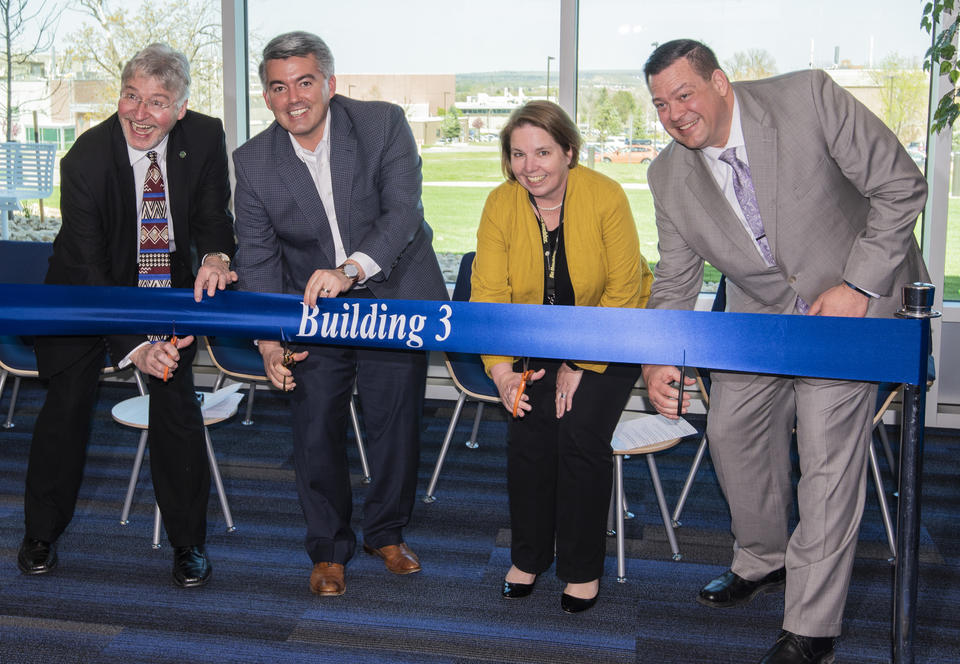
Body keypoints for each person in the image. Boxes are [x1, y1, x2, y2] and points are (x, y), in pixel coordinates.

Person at [642, 39, 929, 663]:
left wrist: (857, 286)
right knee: (730, 428)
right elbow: (675, 277)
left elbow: (902, 186)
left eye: (684, 94)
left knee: (824, 447)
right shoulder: (667, 174)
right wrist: (659, 355)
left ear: (720, 83)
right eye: (661, 104)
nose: (674, 114)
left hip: (854, 295)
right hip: (761, 311)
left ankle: (812, 626)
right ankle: (762, 559)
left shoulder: (806, 98)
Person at [232, 31, 448, 597]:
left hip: (391, 289)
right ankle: (329, 547)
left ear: (329, 83)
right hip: (313, 310)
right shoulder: (254, 162)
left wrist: (350, 269)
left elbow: (403, 214)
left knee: (394, 420)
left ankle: (386, 532)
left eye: (305, 82)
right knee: (314, 425)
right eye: (278, 87)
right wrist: (268, 341)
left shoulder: (380, 124)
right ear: (267, 95)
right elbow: (256, 257)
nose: (293, 98)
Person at [18, 43, 237, 588]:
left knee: (176, 403)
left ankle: (188, 544)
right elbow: (92, 270)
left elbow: (213, 217)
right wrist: (137, 344)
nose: (140, 114)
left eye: (157, 102)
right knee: (66, 407)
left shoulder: (205, 138)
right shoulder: (85, 160)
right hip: (83, 290)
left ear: (181, 108)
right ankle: (40, 531)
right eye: (131, 97)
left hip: (160, 286)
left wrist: (215, 257)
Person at [471, 100, 652, 614]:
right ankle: (528, 557)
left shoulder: (605, 194)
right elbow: (488, 294)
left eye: (544, 152)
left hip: (611, 335)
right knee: (527, 426)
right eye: (518, 154)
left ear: (569, 151)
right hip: (535, 339)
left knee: (577, 433)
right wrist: (503, 371)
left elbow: (622, 289)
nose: (531, 166)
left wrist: (579, 363)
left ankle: (581, 568)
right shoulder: (500, 203)